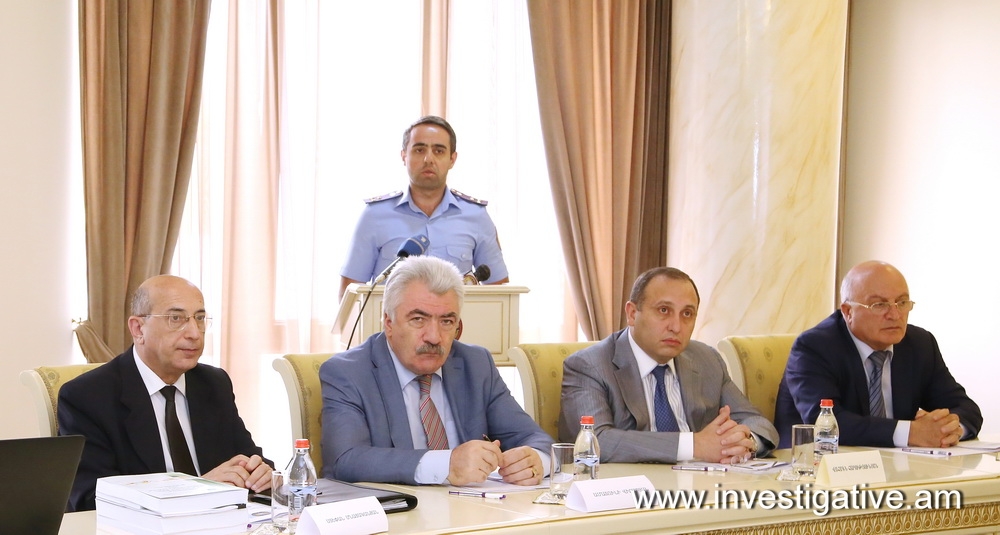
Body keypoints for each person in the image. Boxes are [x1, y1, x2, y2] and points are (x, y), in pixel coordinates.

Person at [321, 256, 550, 486]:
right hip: (400, 508)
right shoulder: (348, 373)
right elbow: (346, 460)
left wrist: (535, 460)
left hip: (473, 505)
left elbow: (535, 438)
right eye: (418, 319)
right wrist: (446, 465)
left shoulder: (476, 364)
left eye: (446, 321)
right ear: (389, 323)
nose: (434, 337)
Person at [59, 275, 272, 511]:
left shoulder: (213, 383)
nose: (194, 333)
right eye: (176, 318)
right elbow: (91, 498)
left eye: (199, 318)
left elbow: (247, 456)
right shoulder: (87, 397)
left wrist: (261, 472)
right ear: (138, 328)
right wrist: (197, 489)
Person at [559, 267, 778, 464]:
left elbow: (756, 421)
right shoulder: (590, 365)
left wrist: (744, 441)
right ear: (632, 314)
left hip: (701, 485)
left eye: (687, 314)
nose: (676, 327)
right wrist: (694, 446)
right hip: (631, 489)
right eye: (664, 310)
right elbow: (594, 441)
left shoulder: (707, 359)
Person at [775, 260, 982, 448]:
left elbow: (965, 408)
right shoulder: (814, 347)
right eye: (879, 305)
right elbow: (826, 424)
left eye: (902, 302)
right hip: (817, 466)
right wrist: (910, 433)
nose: (895, 315)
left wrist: (950, 430)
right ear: (848, 312)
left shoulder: (919, 344)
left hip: (899, 465)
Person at [339, 115, 509, 299]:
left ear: (452, 159)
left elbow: (500, 292)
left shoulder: (476, 217)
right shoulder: (375, 216)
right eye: (419, 150)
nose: (428, 159)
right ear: (404, 156)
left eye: (439, 151)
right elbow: (350, 294)